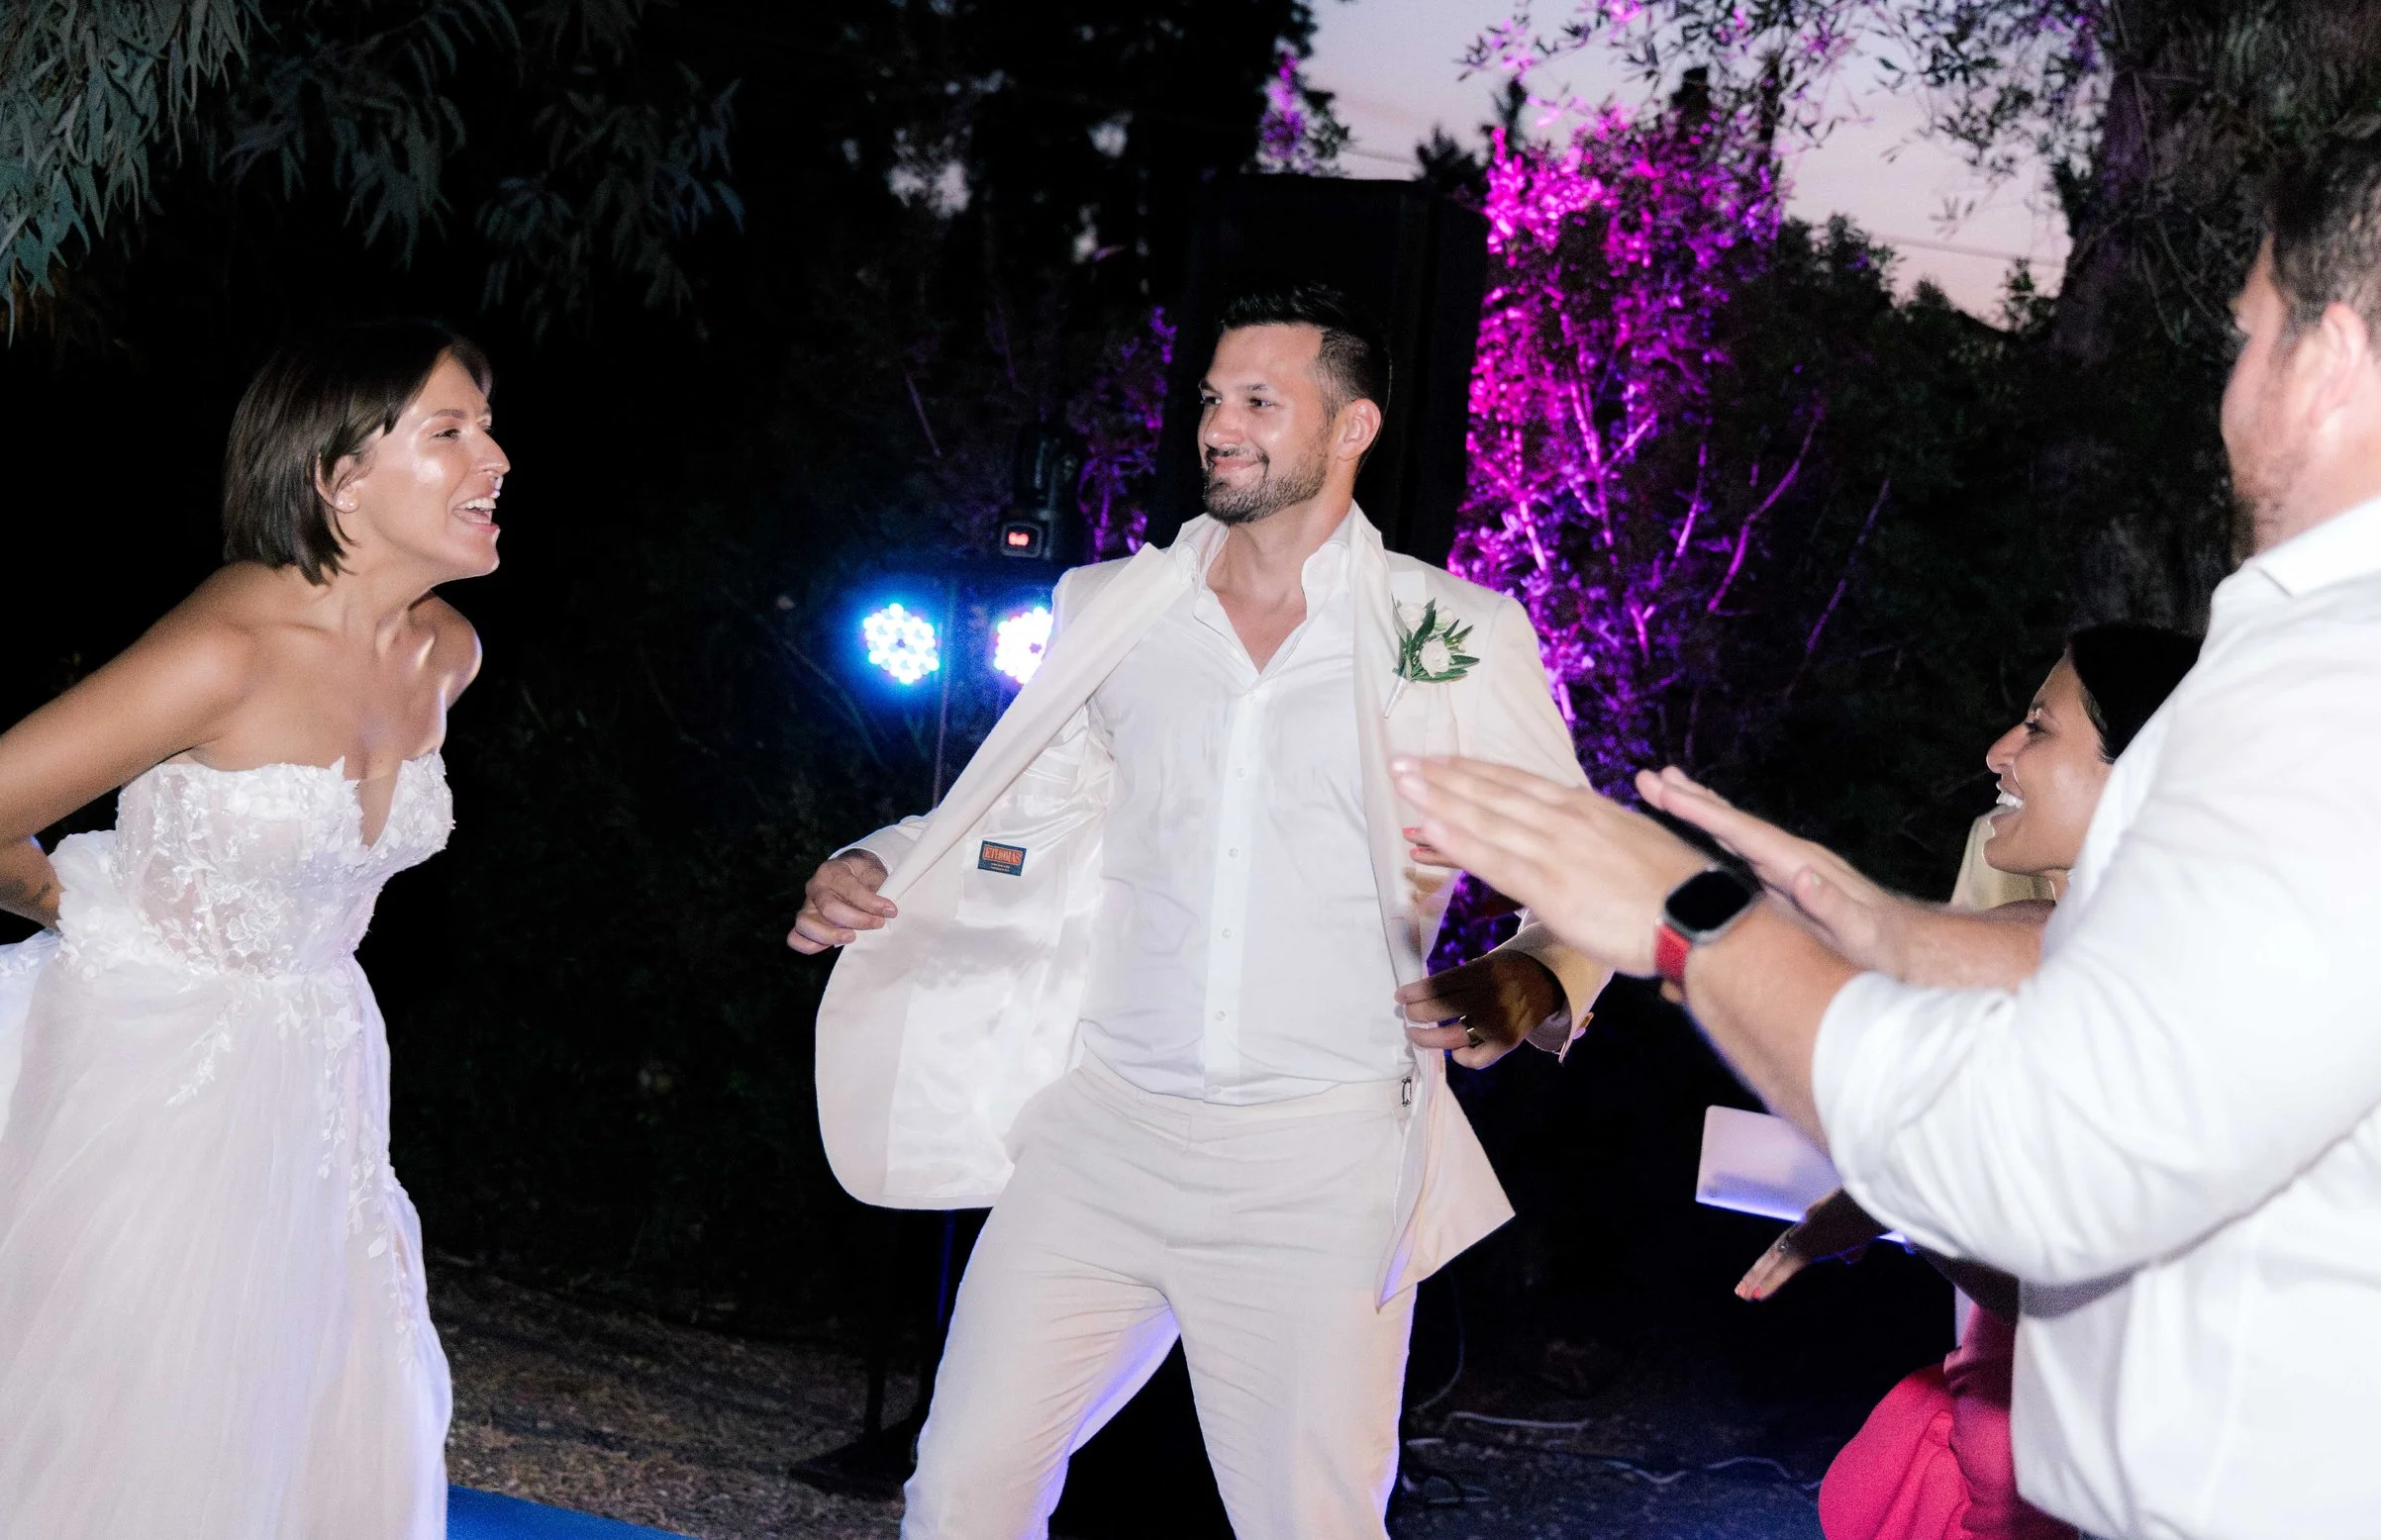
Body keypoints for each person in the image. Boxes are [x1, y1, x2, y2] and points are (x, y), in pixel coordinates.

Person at [1391, 129, 2381, 1538]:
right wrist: (1846, 907)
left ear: (2327, 357)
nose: (2229, 389)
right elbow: (2124, 988)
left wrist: (1693, 918)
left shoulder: (2334, 687)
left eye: (2247, 336)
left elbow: (2056, 1148)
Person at [788, 284, 1610, 1540]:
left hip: (1317, 1166)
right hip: (1102, 1136)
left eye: (1260, 402)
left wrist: (1533, 975)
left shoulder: (1455, 632)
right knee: (959, 1489)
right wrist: (875, 858)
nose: (1219, 427)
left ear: (1351, 428)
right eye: (1214, 398)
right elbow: (1019, 806)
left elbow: (1589, 871)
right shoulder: (1113, 605)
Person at [0, 322, 507, 1540]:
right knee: (130, 1412)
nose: (494, 459)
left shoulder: (446, 652)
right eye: (450, 431)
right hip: (148, 1071)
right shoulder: (227, 649)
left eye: (488, 428)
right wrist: (93, 913)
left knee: (305, 1392)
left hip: (323, 1057)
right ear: (339, 476)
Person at [1698, 625, 2198, 1540]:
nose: (1998, 750)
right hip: (2000, 1400)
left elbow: (2100, 1314)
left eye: (2038, 728)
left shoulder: (2151, 973)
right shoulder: (2030, 907)